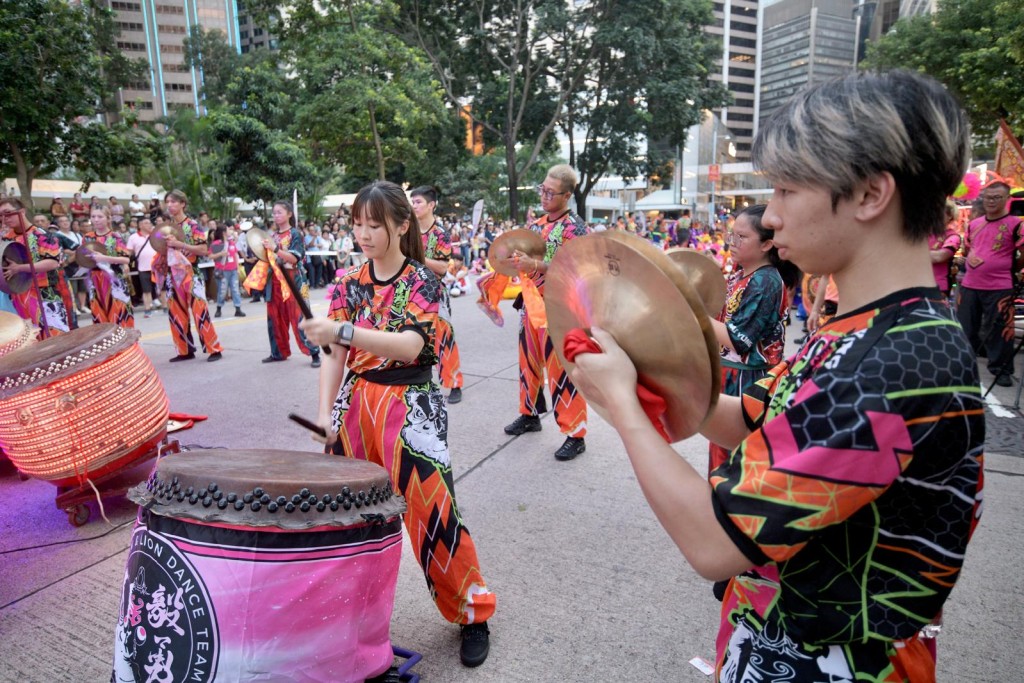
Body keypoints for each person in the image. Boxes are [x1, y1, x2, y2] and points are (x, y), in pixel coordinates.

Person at [570, 71, 984, 681]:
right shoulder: (866, 330)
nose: (771, 215)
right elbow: (748, 419)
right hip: (773, 639)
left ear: (871, 193)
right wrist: (640, 369)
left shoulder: (897, 364)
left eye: (788, 189)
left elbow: (713, 544)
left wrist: (627, 414)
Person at [299, 181, 495, 667]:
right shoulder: (346, 281)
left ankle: (472, 612)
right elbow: (335, 355)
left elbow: (410, 346)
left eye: (374, 224)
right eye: (357, 224)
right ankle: (350, 619)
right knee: (345, 517)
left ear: (402, 225)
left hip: (411, 407)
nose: (363, 234)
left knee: (433, 513)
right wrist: (325, 414)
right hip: (356, 404)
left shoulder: (422, 281)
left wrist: (341, 329)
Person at [503, 164, 590, 461]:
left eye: (551, 192)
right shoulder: (539, 224)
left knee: (561, 369)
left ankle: (575, 433)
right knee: (528, 362)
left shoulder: (575, 228)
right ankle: (529, 414)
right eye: (542, 189)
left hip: (559, 308)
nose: (544, 195)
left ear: (567, 195)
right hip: (531, 303)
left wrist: (536, 266)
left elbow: (576, 269)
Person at [707, 204, 798, 472]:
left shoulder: (765, 281)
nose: (732, 242)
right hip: (731, 372)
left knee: (735, 456)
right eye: (732, 235)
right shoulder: (740, 274)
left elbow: (739, 340)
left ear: (767, 244)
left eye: (742, 237)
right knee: (721, 450)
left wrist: (694, 314)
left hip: (749, 378)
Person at [957, 179, 1023, 387]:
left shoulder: (1016, 224)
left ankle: (1001, 369)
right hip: (969, 284)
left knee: (1001, 331)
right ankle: (962, 365)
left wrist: (1011, 268)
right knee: (965, 328)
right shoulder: (974, 224)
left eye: (997, 197)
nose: (991, 201)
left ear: (1007, 199)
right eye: (987, 197)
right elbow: (968, 249)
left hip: (1000, 285)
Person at [243, 200, 320, 368]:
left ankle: (314, 352)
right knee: (274, 316)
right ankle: (278, 352)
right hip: (275, 281)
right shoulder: (273, 236)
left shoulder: (295, 234)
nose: (276, 215)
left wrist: (275, 249)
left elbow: (294, 258)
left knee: (300, 316)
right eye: (274, 212)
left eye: (279, 212)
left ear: (289, 214)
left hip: (294, 280)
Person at [152, 189, 223, 362]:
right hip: (171, 275)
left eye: (173, 201)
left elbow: (203, 250)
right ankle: (184, 351)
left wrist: (178, 244)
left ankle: (214, 349)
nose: (170, 205)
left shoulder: (193, 226)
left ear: (183, 203)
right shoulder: (165, 228)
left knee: (199, 311)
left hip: (191, 272)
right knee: (175, 313)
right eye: (167, 202)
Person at [411, 186, 465, 404]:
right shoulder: (407, 230)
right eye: (412, 202)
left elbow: (442, 268)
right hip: (411, 293)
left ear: (431, 205)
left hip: (435, 293)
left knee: (444, 339)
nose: (414, 206)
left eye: (418, 202)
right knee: (414, 339)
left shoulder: (440, 233)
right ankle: (419, 383)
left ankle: (454, 384)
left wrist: (416, 256)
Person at [0, 197, 70, 338]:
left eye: (8, 213)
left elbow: (52, 262)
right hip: (17, 296)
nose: (5, 218)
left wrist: (19, 268)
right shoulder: (6, 238)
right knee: (28, 341)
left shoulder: (42, 235)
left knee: (55, 338)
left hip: (45, 295)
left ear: (22, 211)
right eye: (1, 215)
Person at [82, 206, 134, 328]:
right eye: (93, 216)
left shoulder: (115, 236)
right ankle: (106, 345)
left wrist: (104, 258)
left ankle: (126, 346)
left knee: (119, 313)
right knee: (99, 315)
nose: (96, 220)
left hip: (114, 279)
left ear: (108, 218)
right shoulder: (87, 237)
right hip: (95, 280)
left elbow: (125, 259)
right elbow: (83, 257)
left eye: (100, 216)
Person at [126, 217, 162, 317]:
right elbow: (128, 252)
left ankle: (166, 307)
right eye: (146, 223)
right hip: (143, 267)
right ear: (140, 225)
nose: (149, 225)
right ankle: (148, 309)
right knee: (146, 290)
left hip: (158, 266)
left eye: (150, 223)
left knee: (162, 288)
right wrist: (125, 263)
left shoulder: (156, 235)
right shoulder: (133, 237)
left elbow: (164, 245)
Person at [210, 225, 245, 319]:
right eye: (228, 229)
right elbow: (210, 256)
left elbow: (235, 255)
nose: (230, 230)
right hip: (223, 270)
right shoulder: (216, 244)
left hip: (233, 269)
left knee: (235, 289)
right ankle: (219, 308)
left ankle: (238, 308)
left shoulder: (231, 242)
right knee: (222, 291)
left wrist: (237, 268)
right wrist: (220, 254)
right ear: (223, 232)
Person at [929, 199, 963, 298]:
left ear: (949, 216)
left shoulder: (952, 236)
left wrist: (910, 254)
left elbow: (940, 256)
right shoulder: (922, 234)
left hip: (939, 286)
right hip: (916, 283)